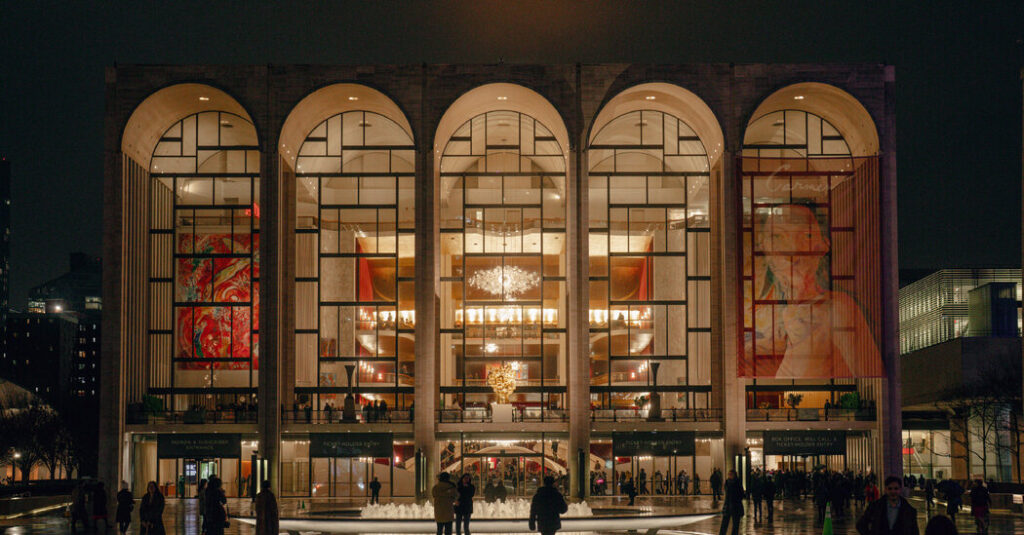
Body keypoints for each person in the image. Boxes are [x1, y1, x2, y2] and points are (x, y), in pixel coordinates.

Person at [718, 469, 744, 535]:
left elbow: (741, 494)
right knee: (724, 523)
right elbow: (727, 495)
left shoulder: (737, 482)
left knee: (735, 524)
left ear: (734, 475)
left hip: (735, 506)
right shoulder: (727, 482)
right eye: (729, 474)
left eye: (731, 474)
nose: (729, 476)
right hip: (728, 505)